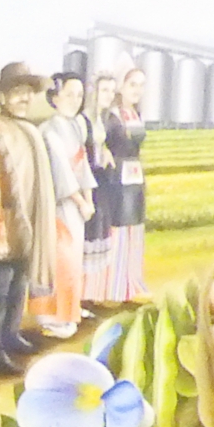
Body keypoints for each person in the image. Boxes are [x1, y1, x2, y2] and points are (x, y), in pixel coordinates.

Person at [0, 63, 55, 376]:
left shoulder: (31, 132)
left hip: (27, 220)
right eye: (17, 92)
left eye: (28, 92)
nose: (24, 98)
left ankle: (11, 334)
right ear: (2, 97)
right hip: (4, 218)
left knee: (19, 281)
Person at [38, 73, 96, 339]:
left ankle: (70, 311)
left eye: (79, 96)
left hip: (76, 205)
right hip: (58, 204)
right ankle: (53, 317)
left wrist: (89, 199)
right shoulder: (48, 130)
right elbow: (62, 171)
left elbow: (82, 166)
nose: (75, 100)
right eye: (69, 94)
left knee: (74, 260)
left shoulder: (75, 126)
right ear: (54, 97)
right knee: (60, 259)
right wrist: (81, 201)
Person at [101, 64, 149, 306]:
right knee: (119, 231)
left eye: (141, 85)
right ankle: (114, 287)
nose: (137, 90)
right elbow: (100, 141)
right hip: (117, 178)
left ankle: (131, 284)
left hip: (135, 177)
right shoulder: (112, 116)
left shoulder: (136, 114)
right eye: (132, 84)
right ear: (121, 86)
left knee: (134, 229)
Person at [82, 72, 120, 311]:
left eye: (112, 91)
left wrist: (105, 153)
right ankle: (81, 297)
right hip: (88, 182)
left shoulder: (101, 118)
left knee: (98, 232)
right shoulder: (84, 119)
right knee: (87, 235)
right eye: (104, 90)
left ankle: (90, 293)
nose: (109, 95)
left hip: (100, 182)